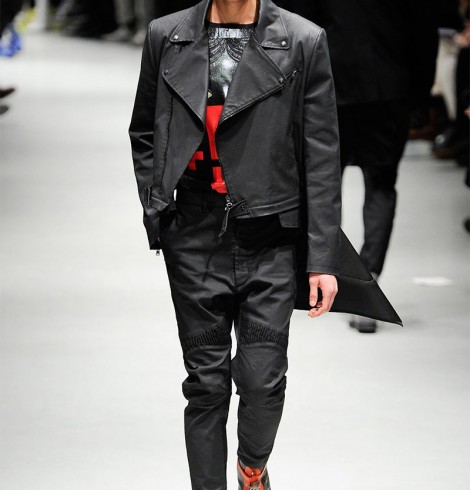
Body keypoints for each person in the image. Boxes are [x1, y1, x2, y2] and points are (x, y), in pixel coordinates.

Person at [129, 0, 342, 488]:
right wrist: (157, 199)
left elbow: (322, 154)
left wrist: (322, 258)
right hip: (193, 236)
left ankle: (252, 467)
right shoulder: (167, 35)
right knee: (205, 385)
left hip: (271, 234)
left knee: (262, 380)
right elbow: (144, 128)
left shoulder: (303, 41)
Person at [278, 0, 439, 333]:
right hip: (389, 87)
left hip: (331, 85)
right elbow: (424, 34)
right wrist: (420, 96)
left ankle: (323, 274)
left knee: (322, 182)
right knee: (381, 184)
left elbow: (298, 22)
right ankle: (367, 281)